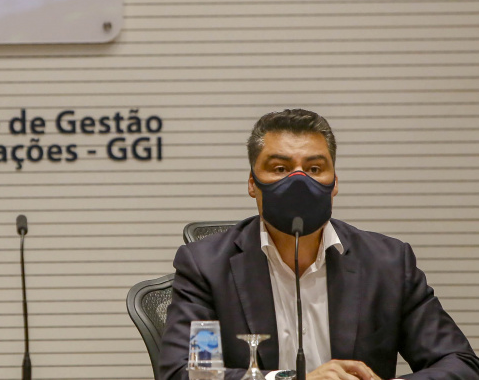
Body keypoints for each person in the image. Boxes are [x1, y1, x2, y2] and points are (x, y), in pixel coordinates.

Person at [159, 109, 479, 380]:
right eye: (280, 168)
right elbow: (184, 372)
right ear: (252, 183)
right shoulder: (205, 266)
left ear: (335, 182)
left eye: (314, 169)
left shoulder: (389, 263)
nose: (299, 181)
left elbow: (459, 364)